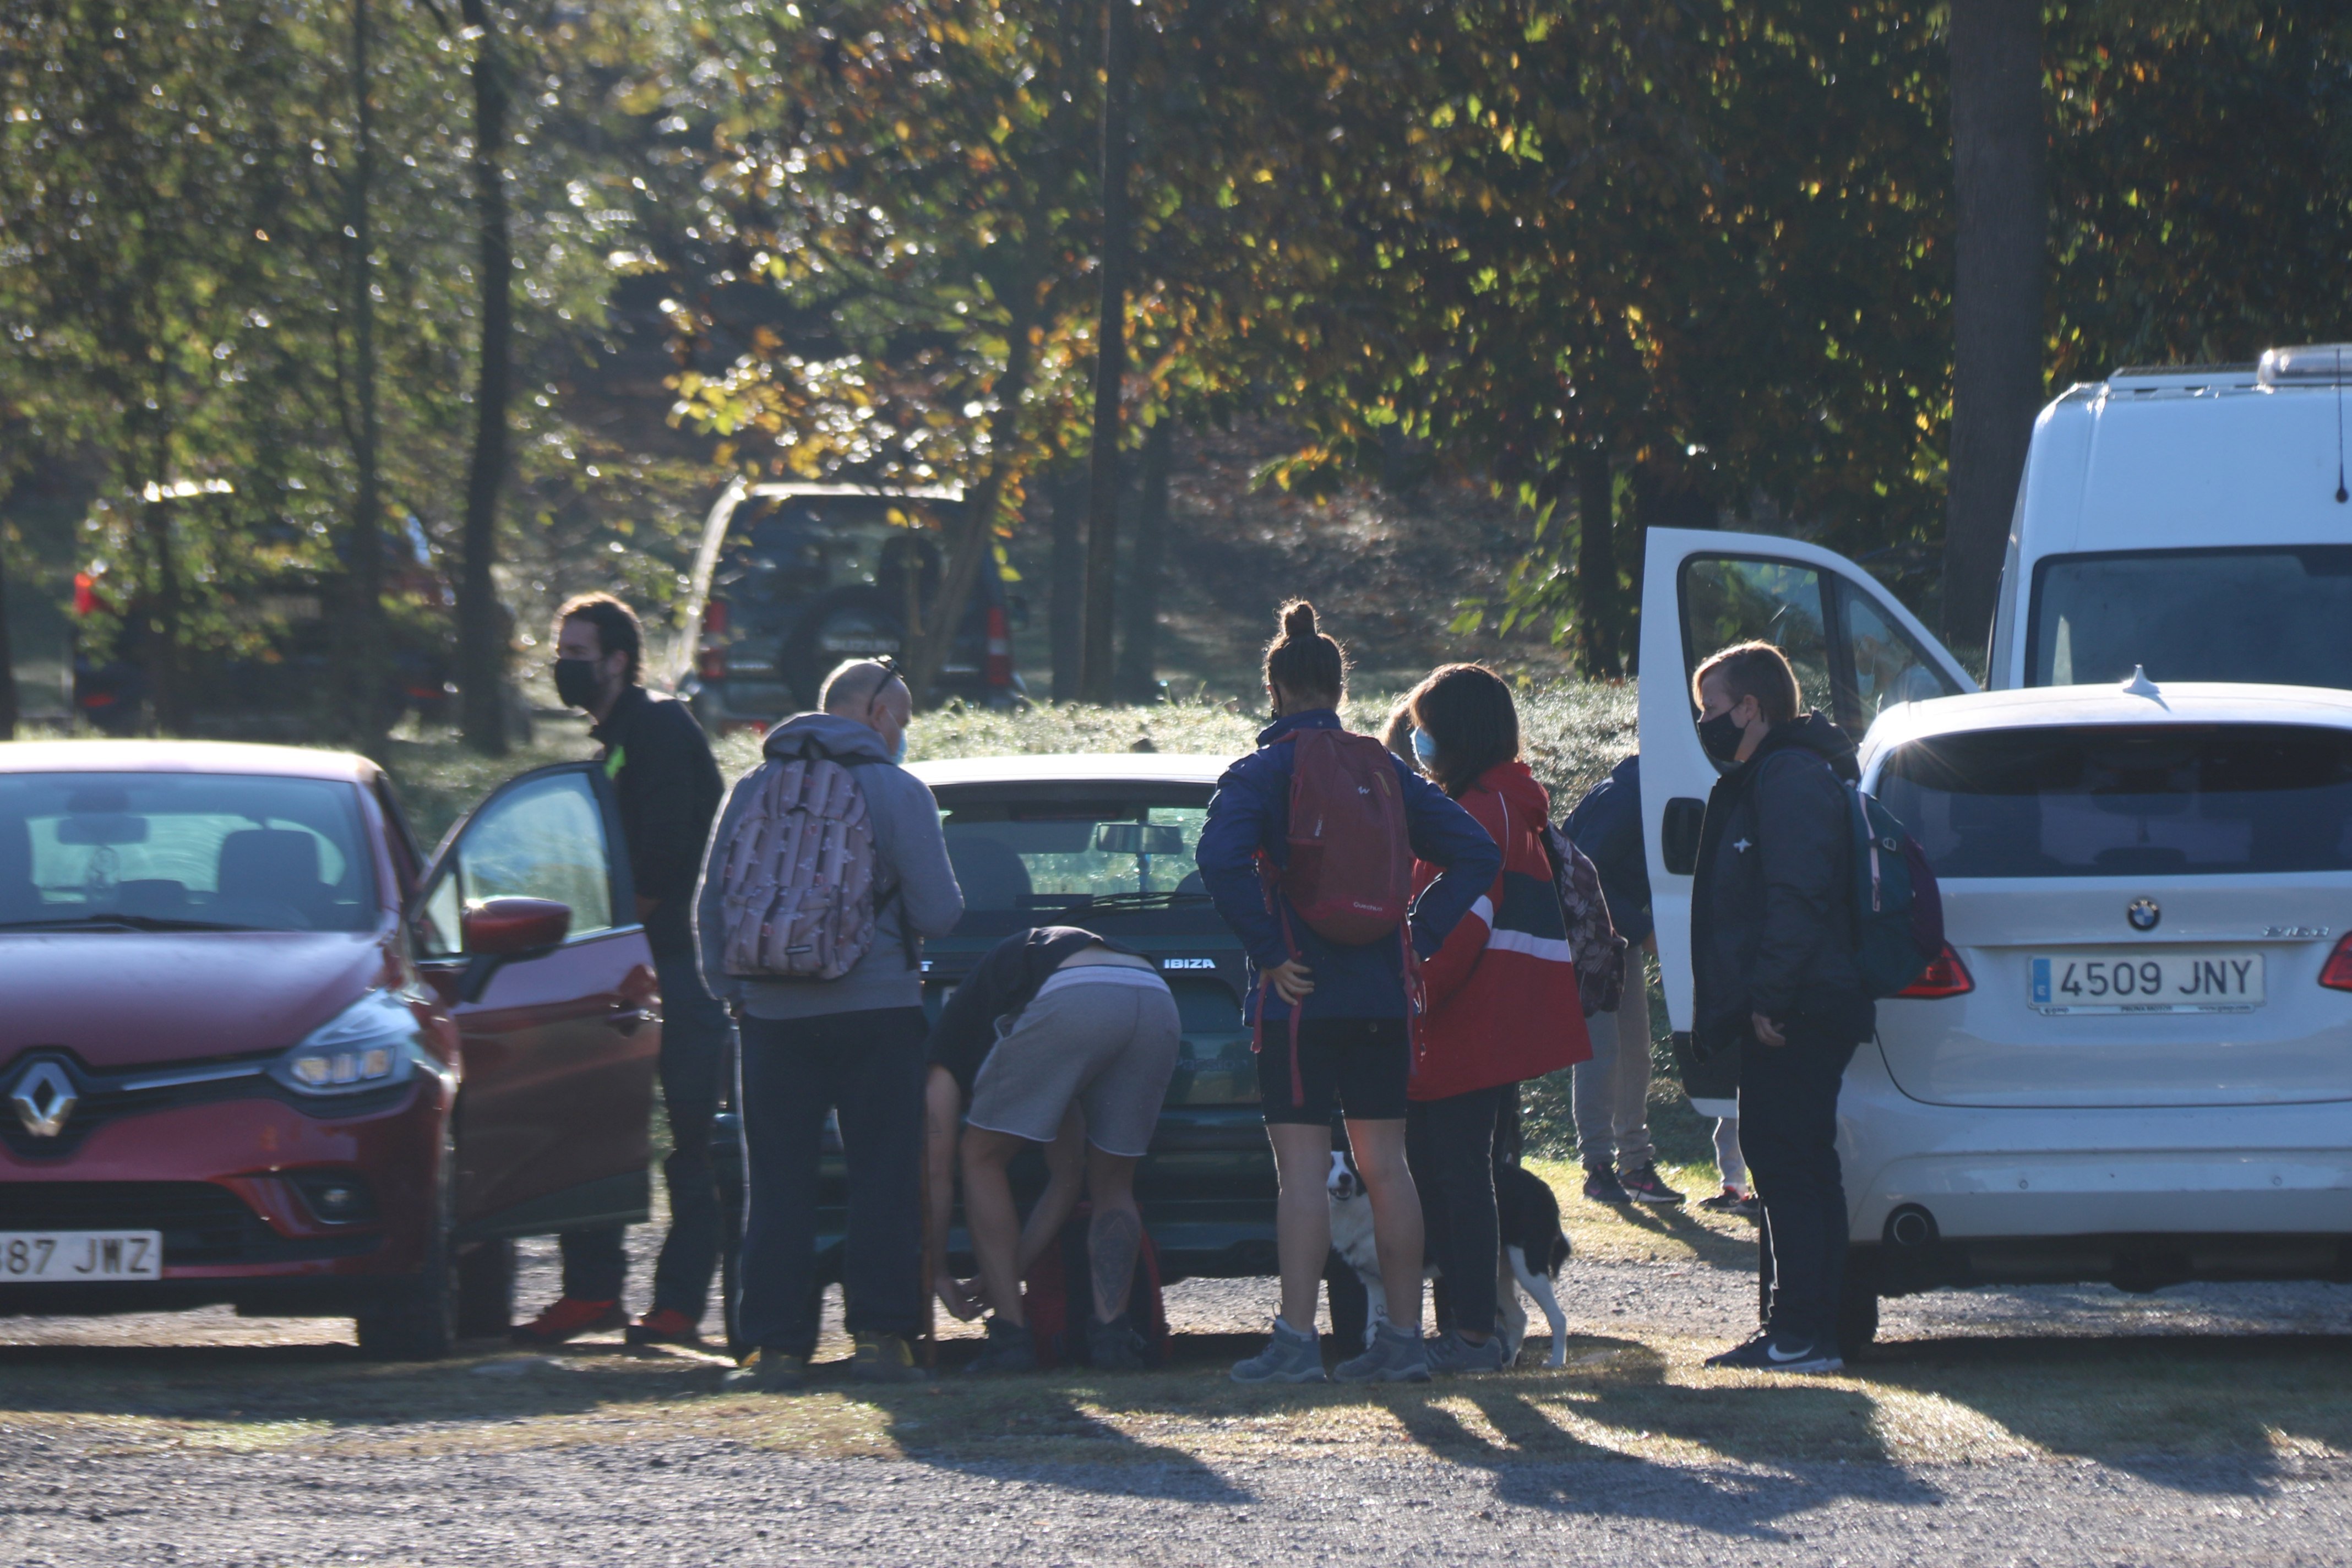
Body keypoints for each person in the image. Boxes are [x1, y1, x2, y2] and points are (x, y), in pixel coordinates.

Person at [1195, 602, 1501, 1385]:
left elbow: (1220, 857)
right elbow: (1474, 850)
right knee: (1388, 1168)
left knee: (1301, 1173)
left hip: (1300, 995)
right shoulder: (1386, 769)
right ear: (1339, 687)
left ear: (1275, 689)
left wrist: (1267, 951)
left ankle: (1296, 1344)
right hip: (1382, 997)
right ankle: (1402, 1341)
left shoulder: (1263, 771)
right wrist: (1417, 935)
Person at [698, 657, 965, 1391]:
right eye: (903, 724)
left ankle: (777, 1351)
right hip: (875, 1009)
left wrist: (735, 993)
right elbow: (940, 912)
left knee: (778, 1182)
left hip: (772, 1017)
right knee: (882, 1176)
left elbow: (712, 903)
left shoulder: (753, 788)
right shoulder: (897, 791)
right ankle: (882, 1341)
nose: (903, 737)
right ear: (878, 716)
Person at [512, 592, 730, 1349]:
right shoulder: (611, 743)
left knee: (694, 1141)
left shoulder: (660, 728)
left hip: (672, 967)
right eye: (560, 652)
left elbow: (665, 856)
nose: (564, 667)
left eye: (577, 655)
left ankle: (676, 1308)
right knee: (593, 1128)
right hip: (617, 968)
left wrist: (613, 940)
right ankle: (592, 1295)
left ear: (617, 660)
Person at [1397, 665, 1592, 1373]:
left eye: (1425, 729)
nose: (1418, 741)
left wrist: (1413, 990)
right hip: (1494, 1011)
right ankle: (1469, 1326)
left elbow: (1460, 921)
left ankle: (1471, 1332)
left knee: (1455, 1174)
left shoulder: (1482, 809)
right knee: (1457, 1169)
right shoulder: (1508, 801)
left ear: (1456, 734)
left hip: (1469, 1012)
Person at [1685, 641, 1870, 1375]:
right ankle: (1810, 1327)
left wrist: (1770, 997)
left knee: (1788, 1162)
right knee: (1795, 1161)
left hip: (1799, 1005)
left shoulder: (1787, 777)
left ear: (1751, 708)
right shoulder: (1793, 770)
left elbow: (1796, 895)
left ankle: (1801, 1331)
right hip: (1808, 996)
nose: (1707, 726)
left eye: (1712, 711)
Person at [921, 925, 1182, 1374]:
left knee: (981, 1156)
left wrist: (936, 1272)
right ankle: (1113, 1341)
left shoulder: (943, 1050)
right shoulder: (1016, 1013)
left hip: (1072, 995)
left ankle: (1010, 1340)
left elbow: (937, 1171)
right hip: (1153, 991)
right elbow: (1066, 1178)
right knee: (1113, 1181)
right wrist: (1007, 1271)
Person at [1559, 755, 1683, 1208]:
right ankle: (1597, 1166)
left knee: (1635, 1051)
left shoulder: (1651, 794)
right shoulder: (1627, 799)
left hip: (1617, 934)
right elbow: (1581, 876)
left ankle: (1635, 1162)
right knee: (1602, 1050)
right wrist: (1644, 928)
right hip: (1586, 936)